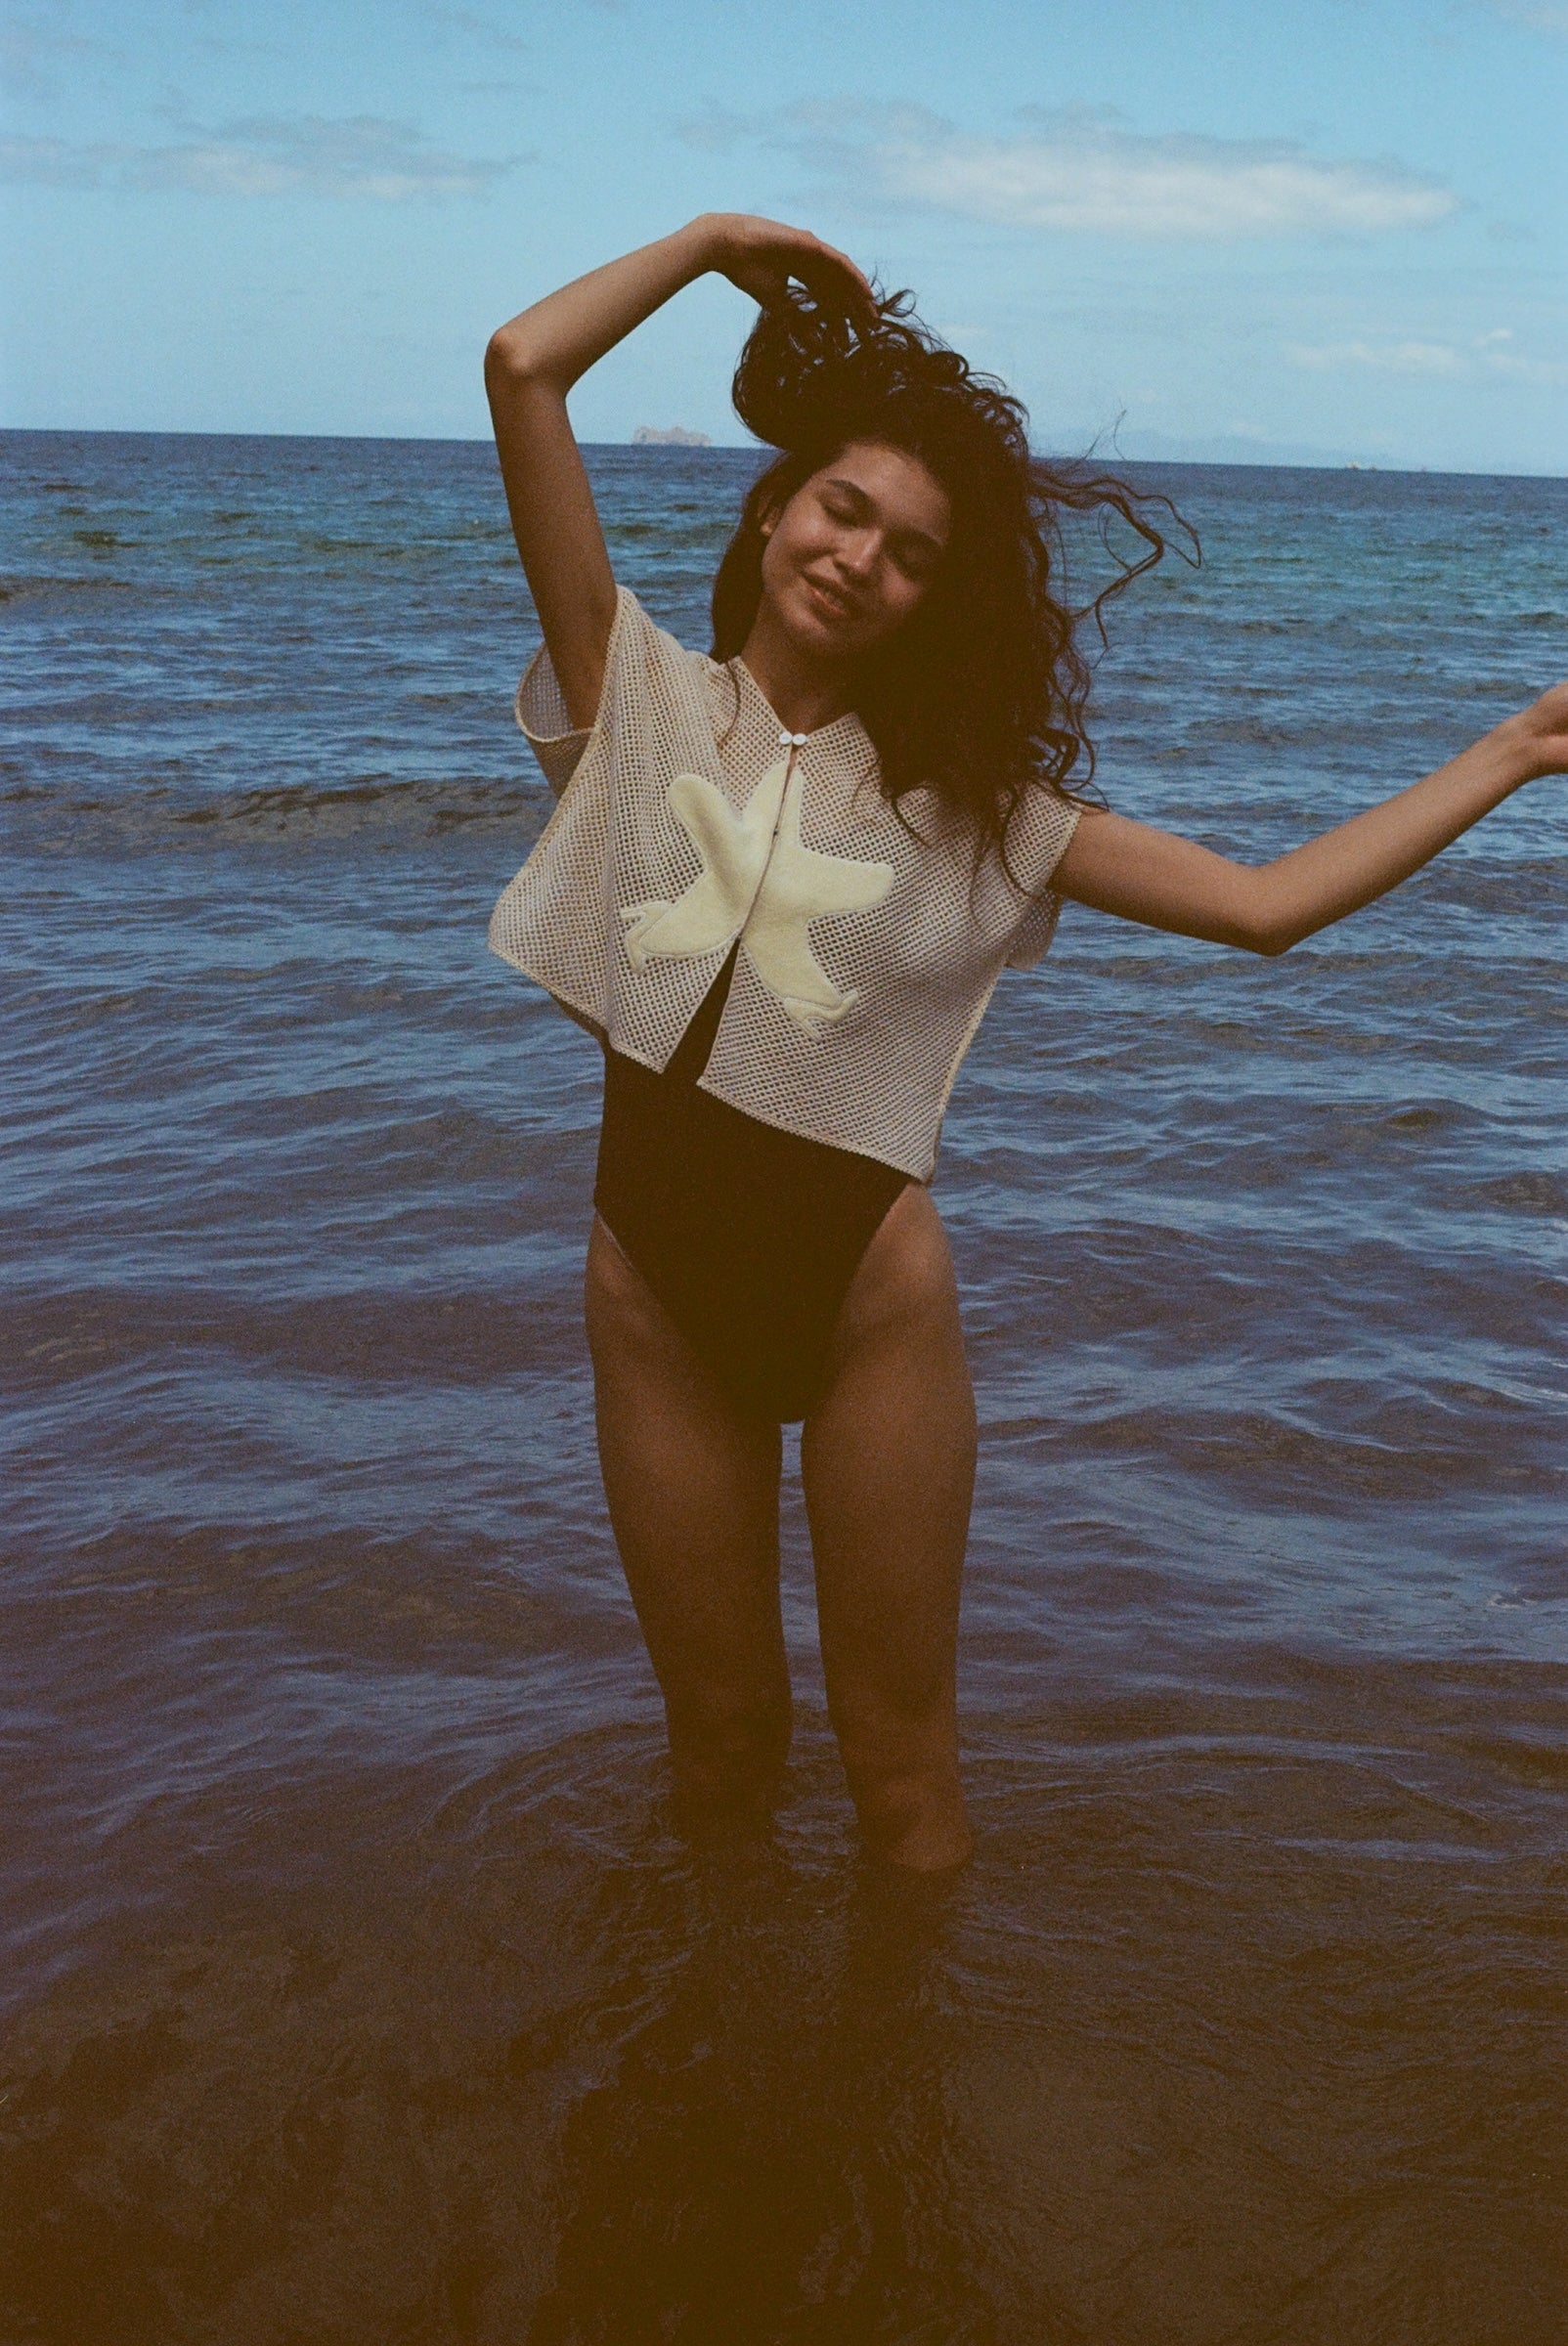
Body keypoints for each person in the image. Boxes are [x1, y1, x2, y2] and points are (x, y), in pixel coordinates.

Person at [484, 213, 1565, 1876]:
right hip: (655, 1299)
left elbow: (1265, 905)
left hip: (868, 1316)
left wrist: (1511, 749)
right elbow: (525, 369)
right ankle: (701, 2101)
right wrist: (710, 247)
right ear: (776, 507)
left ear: (936, 603)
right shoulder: (634, 700)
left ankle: (904, 2112)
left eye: (913, 553)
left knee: (907, 1792)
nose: (861, 558)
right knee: (720, 1751)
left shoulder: (977, 818)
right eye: (844, 508)